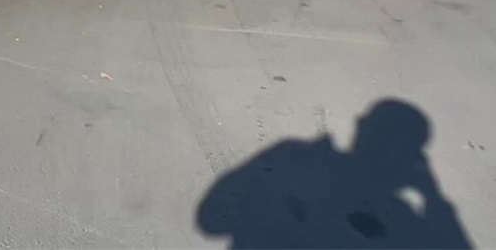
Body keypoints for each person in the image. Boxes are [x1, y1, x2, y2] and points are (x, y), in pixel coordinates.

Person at [196, 98, 473, 249]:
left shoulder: (291, 158)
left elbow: (211, 219)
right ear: (411, 160)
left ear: (360, 125)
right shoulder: (400, 218)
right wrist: (432, 195)